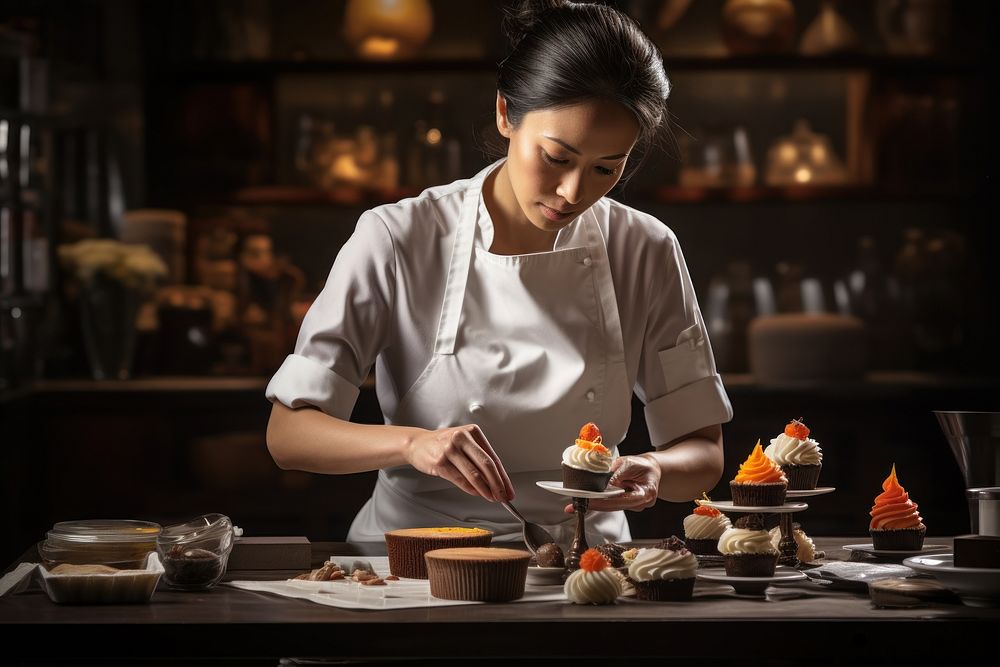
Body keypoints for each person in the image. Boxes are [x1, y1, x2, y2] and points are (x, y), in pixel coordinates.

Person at [265, 0, 733, 546]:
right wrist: (413, 445)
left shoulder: (645, 248)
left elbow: (703, 451)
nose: (573, 193)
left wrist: (656, 468)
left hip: (586, 564)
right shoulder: (399, 237)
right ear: (506, 113)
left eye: (607, 168)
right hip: (416, 562)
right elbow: (289, 435)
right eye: (557, 157)